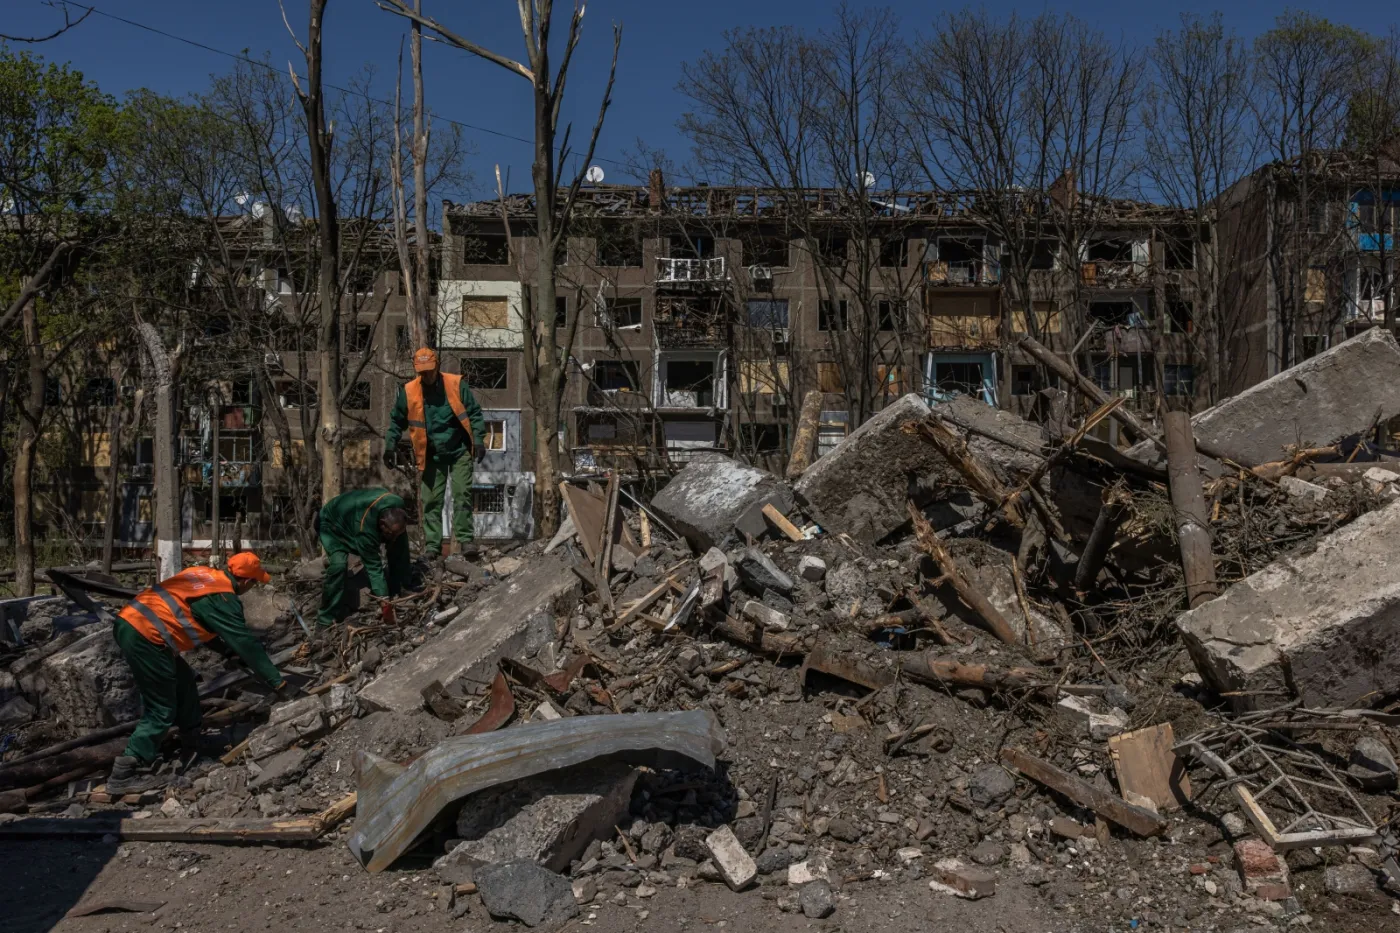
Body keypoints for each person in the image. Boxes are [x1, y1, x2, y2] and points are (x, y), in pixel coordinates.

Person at [106, 552, 291, 794]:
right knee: (161, 708)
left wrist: (227, 652)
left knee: (185, 684)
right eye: (254, 582)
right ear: (245, 581)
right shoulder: (223, 599)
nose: (253, 586)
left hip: (135, 623)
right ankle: (125, 770)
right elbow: (246, 643)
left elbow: (199, 621)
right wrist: (277, 683)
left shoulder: (204, 575)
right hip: (145, 635)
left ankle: (192, 744)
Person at [384, 347, 486, 557]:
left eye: (429, 370)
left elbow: (475, 413)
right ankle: (432, 547)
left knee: (462, 495)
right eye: (422, 372)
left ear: (437, 366)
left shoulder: (455, 385)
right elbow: (396, 421)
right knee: (430, 501)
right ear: (416, 370)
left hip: (459, 450)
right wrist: (390, 445)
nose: (426, 375)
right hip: (431, 454)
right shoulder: (409, 392)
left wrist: (479, 440)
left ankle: (466, 541)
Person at [315, 487, 412, 628]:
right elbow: (374, 567)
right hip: (332, 525)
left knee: (400, 544)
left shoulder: (398, 504)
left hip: (355, 516)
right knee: (338, 565)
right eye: (390, 533)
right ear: (382, 524)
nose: (392, 537)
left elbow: (398, 543)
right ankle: (324, 620)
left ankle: (400, 588)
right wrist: (385, 603)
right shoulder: (364, 529)